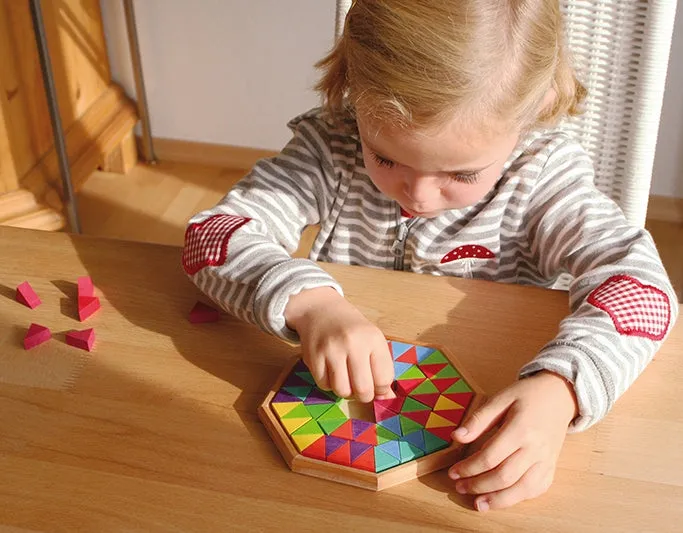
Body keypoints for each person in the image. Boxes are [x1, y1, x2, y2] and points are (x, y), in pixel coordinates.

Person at [181, 0, 677, 512]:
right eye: (386, 157)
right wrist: (310, 305)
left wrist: (562, 389)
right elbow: (213, 237)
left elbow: (643, 290)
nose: (416, 195)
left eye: (461, 175)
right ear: (354, 86)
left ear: (535, 107)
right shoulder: (330, 147)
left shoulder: (541, 178)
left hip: (472, 442)